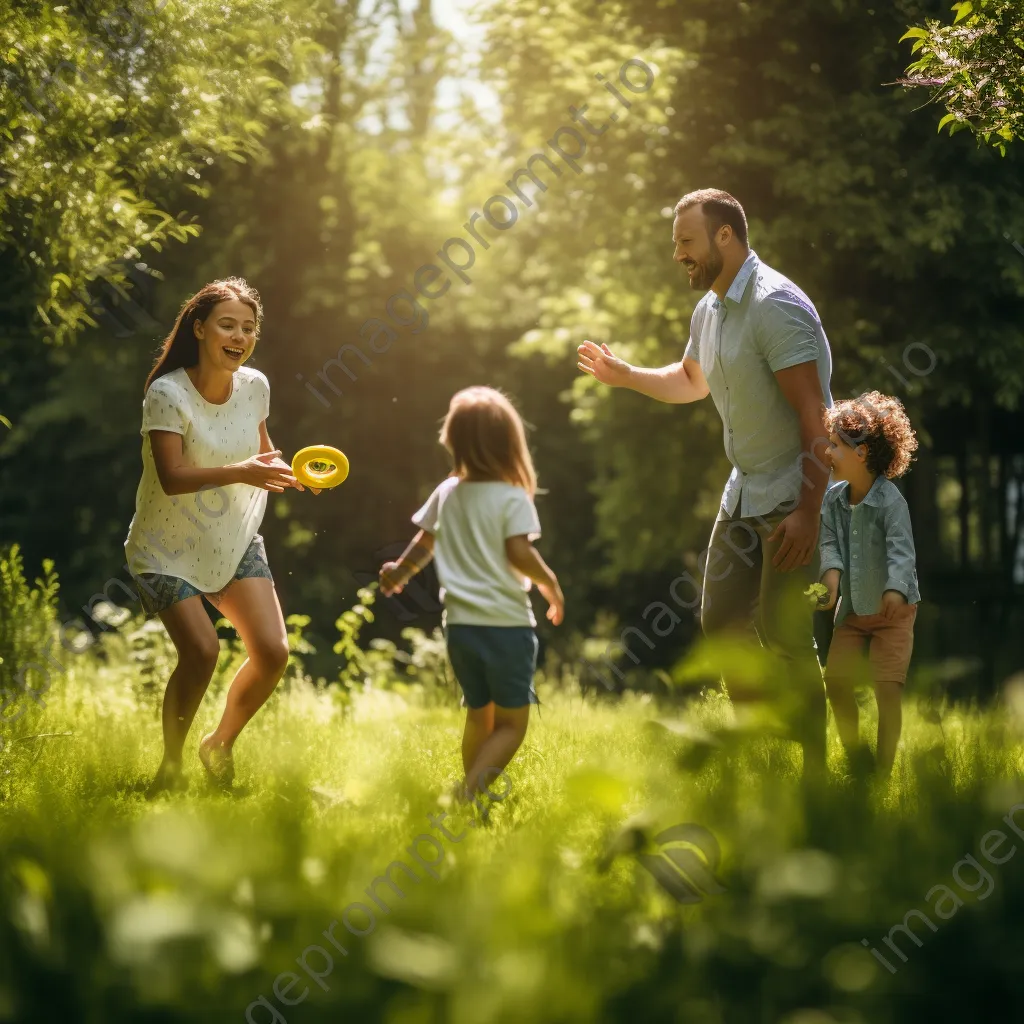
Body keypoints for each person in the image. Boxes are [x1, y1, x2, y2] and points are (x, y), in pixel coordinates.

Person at [577, 188, 833, 772]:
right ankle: (766, 751)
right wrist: (626, 375)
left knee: (786, 635)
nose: (678, 255)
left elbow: (815, 418)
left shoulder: (776, 305)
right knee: (721, 623)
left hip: (796, 492)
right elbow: (691, 379)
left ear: (725, 236)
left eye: (686, 242)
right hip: (744, 490)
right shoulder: (710, 309)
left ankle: (816, 779)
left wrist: (809, 512)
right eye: (676, 244)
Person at [125, 278, 307, 796]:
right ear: (200, 329)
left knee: (273, 652)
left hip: (233, 537)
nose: (240, 335)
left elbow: (262, 452)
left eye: (249, 328)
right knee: (202, 651)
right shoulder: (167, 394)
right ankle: (171, 767)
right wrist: (244, 471)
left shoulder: (256, 386)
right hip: (166, 546)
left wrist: (291, 473)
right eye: (228, 324)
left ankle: (219, 743)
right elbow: (173, 477)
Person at [378, 386, 564, 799]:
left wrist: (399, 573)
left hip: (460, 627)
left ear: (454, 440)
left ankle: (475, 797)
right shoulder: (511, 496)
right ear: (510, 442)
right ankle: (466, 794)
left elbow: (423, 544)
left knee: (478, 716)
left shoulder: (447, 492)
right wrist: (550, 584)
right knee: (512, 724)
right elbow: (519, 551)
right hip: (506, 627)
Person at [817, 391, 920, 779]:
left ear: (861, 453)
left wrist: (895, 587)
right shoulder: (833, 501)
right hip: (853, 611)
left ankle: (882, 773)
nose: (827, 452)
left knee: (887, 690)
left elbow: (902, 551)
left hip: (894, 613)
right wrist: (830, 579)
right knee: (837, 683)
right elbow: (829, 544)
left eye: (835, 446)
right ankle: (856, 758)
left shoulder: (890, 503)